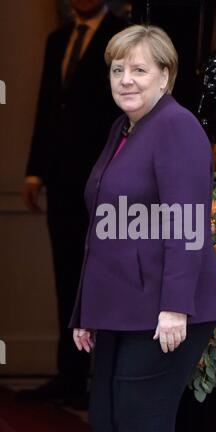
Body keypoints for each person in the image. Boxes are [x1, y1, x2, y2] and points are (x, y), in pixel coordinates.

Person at [69, 25, 216, 432]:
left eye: (139, 69)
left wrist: (175, 307)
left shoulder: (176, 126)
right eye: (118, 69)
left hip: (164, 311)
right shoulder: (123, 128)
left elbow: (186, 221)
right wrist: (86, 308)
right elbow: (104, 226)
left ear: (165, 75)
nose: (126, 80)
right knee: (105, 424)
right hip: (120, 307)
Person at [21, 0, 127, 406]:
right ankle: (71, 376)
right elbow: (47, 108)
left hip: (108, 181)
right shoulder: (57, 39)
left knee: (109, 278)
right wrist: (35, 172)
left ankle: (106, 380)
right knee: (67, 276)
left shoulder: (124, 33)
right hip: (63, 183)